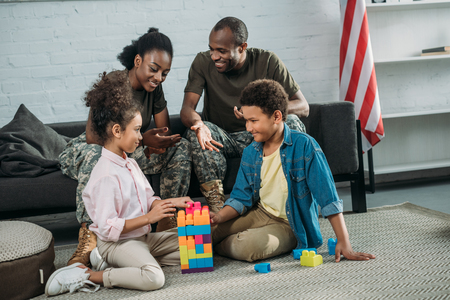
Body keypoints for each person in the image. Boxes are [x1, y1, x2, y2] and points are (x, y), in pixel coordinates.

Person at [45, 71, 193, 297]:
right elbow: (107, 228)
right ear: (116, 131)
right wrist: (149, 219)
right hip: (116, 244)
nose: (141, 137)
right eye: (136, 130)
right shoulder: (105, 175)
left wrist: (169, 203)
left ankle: (114, 263)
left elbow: (148, 198)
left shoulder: (130, 163)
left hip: (142, 239)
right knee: (154, 277)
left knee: (196, 250)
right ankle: (87, 274)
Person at [59, 28, 191, 268]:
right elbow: (92, 136)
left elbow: (162, 131)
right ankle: (89, 234)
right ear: (138, 61)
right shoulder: (114, 82)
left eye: (165, 73)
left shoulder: (155, 88)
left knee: (180, 149)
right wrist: (145, 140)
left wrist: (158, 141)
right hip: (94, 147)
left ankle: (165, 219)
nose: (159, 77)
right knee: (97, 156)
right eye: (154, 69)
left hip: (129, 149)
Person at [210, 79, 376, 263]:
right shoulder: (251, 152)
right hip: (260, 213)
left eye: (253, 121)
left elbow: (327, 197)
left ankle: (218, 245)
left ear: (277, 117)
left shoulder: (305, 146)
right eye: (246, 120)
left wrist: (344, 242)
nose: (248, 128)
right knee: (205, 231)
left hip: (291, 224)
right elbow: (241, 197)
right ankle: (217, 240)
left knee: (247, 247)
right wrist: (218, 216)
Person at [180, 16, 309, 214]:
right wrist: (200, 125)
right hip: (224, 139)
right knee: (196, 131)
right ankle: (218, 209)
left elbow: (302, 106)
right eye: (212, 49)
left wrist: (260, 111)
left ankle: (295, 196)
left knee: (291, 121)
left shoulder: (267, 61)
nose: (214, 56)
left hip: (262, 137)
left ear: (242, 47)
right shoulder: (202, 62)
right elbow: (187, 109)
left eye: (222, 51)